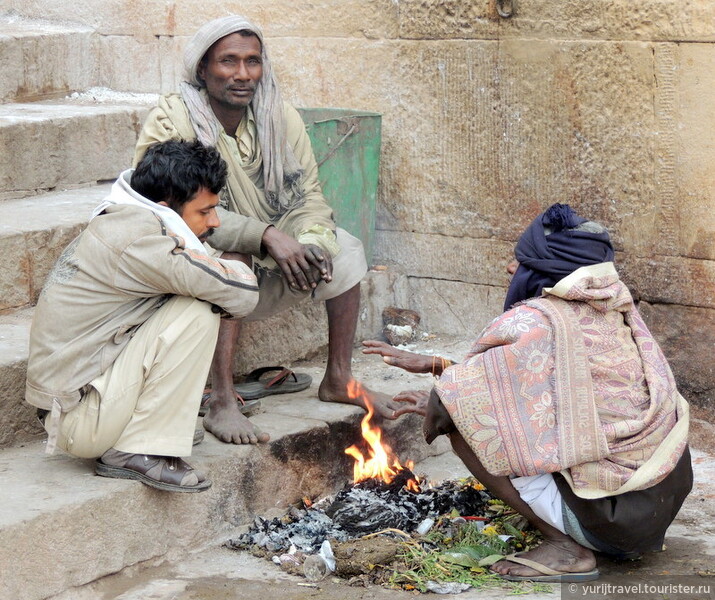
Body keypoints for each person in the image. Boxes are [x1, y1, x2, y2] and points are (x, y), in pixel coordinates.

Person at [363, 203, 692, 582]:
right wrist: (436, 365)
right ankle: (574, 528)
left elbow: (469, 401)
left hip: (611, 524)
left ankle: (567, 548)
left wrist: (442, 402)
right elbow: (539, 384)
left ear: (549, 268)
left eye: (522, 260)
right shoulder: (613, 308)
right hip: (652, 512)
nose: (509, 269)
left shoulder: (535, 321)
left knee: (461, 423)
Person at [134, 15, 401, 446]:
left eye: (252, 61)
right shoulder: (172, 120)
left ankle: (338, 378)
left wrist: (309, 242)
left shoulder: (280, 118)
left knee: (341, 249)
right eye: (228, 62)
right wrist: (265, 236)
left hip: (266, 244)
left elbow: (307, 196)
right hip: (191, 250)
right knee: (234, 259)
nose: (242, 75)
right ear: (203, 68)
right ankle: (221, 400)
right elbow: (168, 209)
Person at [25, 140, 259, 493]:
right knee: (198, 310)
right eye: (205, 211)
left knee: (194, 292)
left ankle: (149, 434)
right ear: (167, 206)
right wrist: (230, 269)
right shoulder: (140, 238)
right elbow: (241, 295)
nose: (215, 221)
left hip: (84, 403)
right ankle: (135, 450)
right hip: (80, 421)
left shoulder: (135, 215)